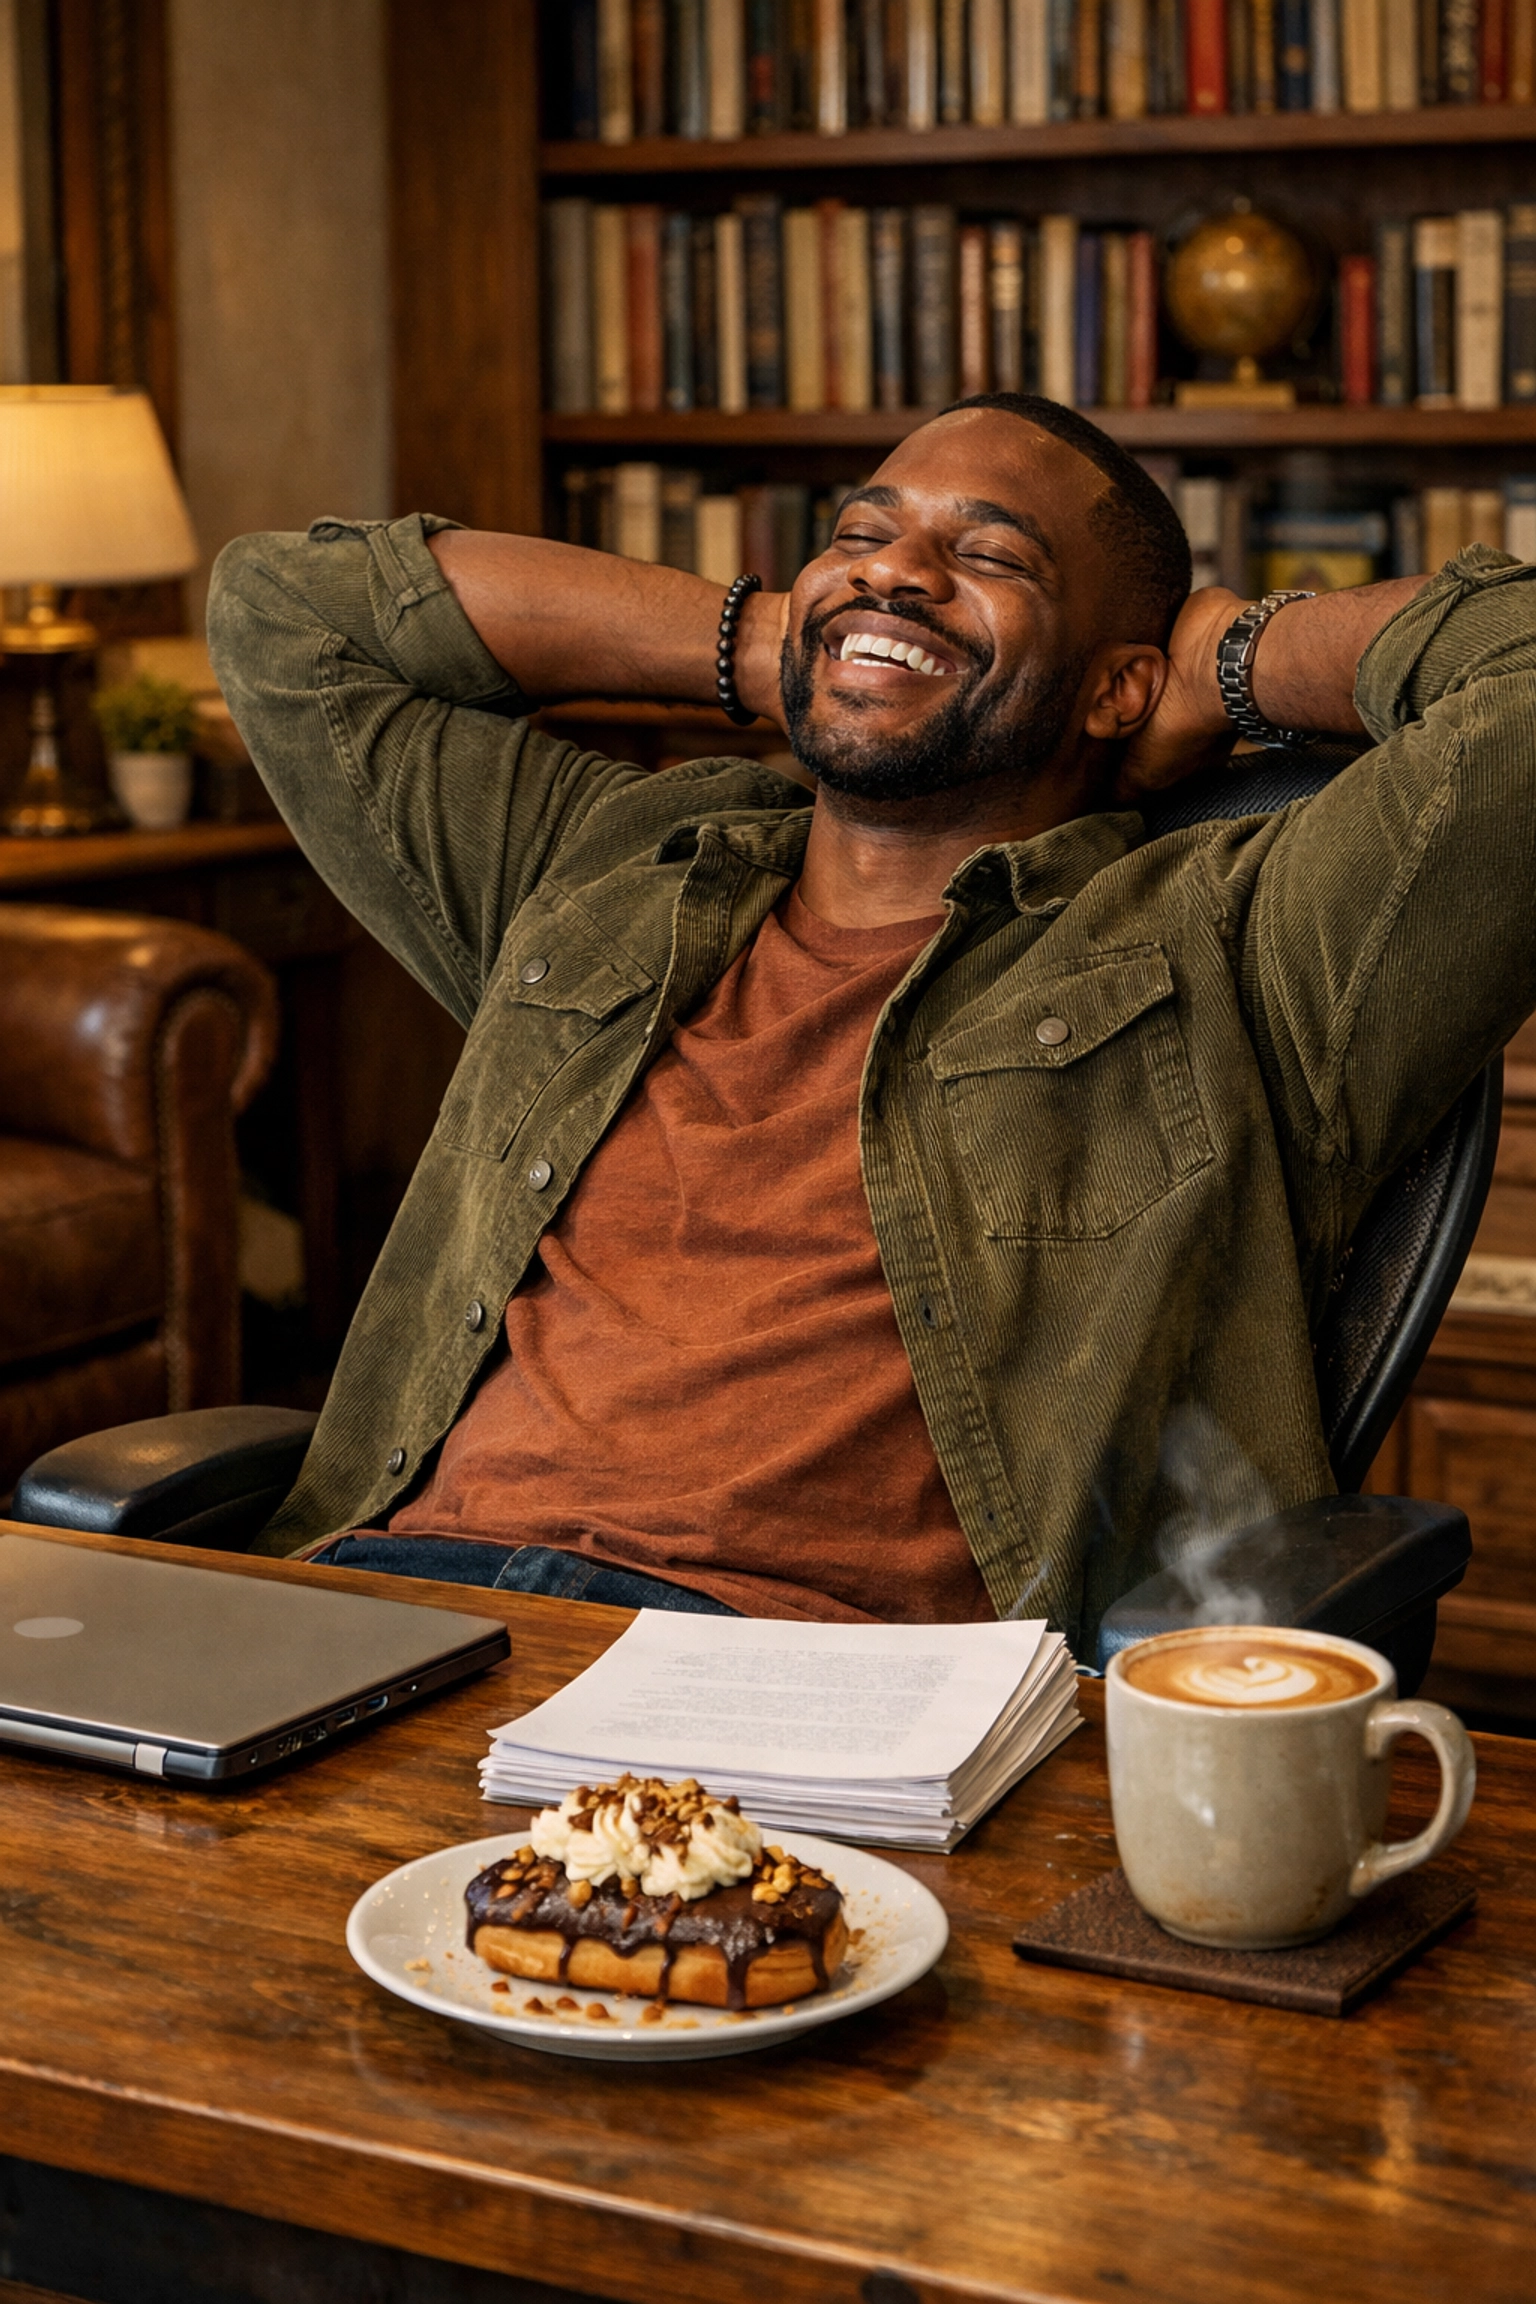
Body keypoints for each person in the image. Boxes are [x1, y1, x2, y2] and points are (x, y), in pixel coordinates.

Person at [208, 393, 1536, 1656]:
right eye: (859, 533)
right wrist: (791, 637)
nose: (894, 568)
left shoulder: (1241, 941)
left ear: (1117, 689)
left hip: (810, 1690)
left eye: (990, 556)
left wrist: (1228, 661)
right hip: (408, 1604)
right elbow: (287, 610)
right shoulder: (612, 862)